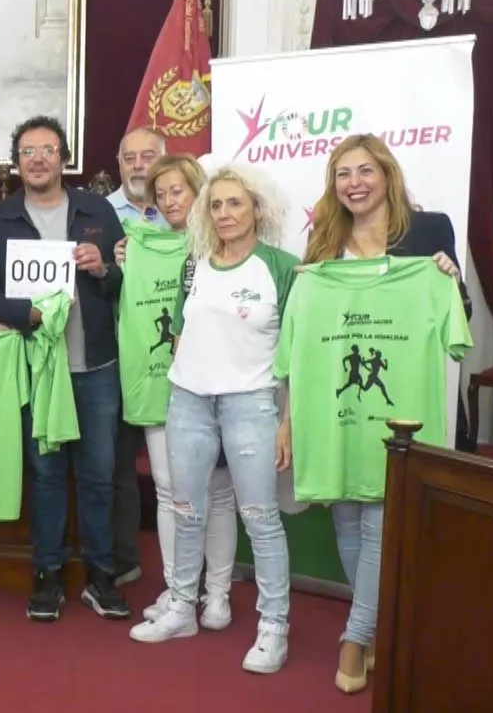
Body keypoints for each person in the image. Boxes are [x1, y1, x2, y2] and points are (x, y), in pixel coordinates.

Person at [300, 133, 467, 693]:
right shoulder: (324, 244)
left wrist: (448, 277)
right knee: (346, 517)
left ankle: (355, 637)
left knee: (379, 518)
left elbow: (455, 316)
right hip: (341, 409)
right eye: (344, 174)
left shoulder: (428, 232)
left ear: (387, 174)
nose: (355, 183)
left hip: (401, 409)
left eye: (365, 171)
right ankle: (377, 627)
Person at [128, 164, 295, 676]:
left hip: (251, 404)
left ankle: (274, 628)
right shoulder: (194, 264)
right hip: (189, 402)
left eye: (235, 204)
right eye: (216, 205)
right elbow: (180, 331)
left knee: (261, 518)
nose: (224, 214)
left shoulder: (282, 267)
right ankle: (182, 608)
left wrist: (286, 422)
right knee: (186, 509)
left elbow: (297, 353)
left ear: (257, 210)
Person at [0, 115, 130, 621]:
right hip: (36, 370)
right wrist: (27, 314)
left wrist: (104, 270)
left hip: (96, 366)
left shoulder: (97, 210)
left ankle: (102, 576)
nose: (37, 160)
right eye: (27, 152)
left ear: (64, 158)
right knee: (45, 476)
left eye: (47, 150)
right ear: (17, 163)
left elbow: (130, 282)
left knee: (100, 476)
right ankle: (47, 575)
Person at [112, 155, 237, 629]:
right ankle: (176, 587)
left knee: (218, 491)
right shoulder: (140, 247)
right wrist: (127, 259)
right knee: (167, 490)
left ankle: (218, 593)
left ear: (198, 190)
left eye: (176, 191)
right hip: (158, 383)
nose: (168, 201)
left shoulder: (226, 244)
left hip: (216, 385)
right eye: (160, 194)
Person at [105, 127, 168, 586]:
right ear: (120, 163)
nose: (139, 165)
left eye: (149, 156)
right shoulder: (98, 215)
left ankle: (190, 572)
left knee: (180, 470)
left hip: (176, 360)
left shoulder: (189, 212)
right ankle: (124, 560)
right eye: (130, 158)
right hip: (118, 357)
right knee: (118, 466)